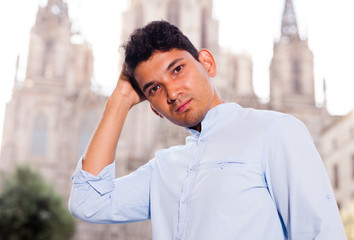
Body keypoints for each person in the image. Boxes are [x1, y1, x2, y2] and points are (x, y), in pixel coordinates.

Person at [69, 20, 345, 240]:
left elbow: (320, 232)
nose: (173, 92)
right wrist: (120, 99)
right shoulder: (164, 168)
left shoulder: (276, 132)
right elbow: (88, 202)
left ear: (208, 63)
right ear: (152, 107)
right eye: (154, 88)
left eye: (177, 69)